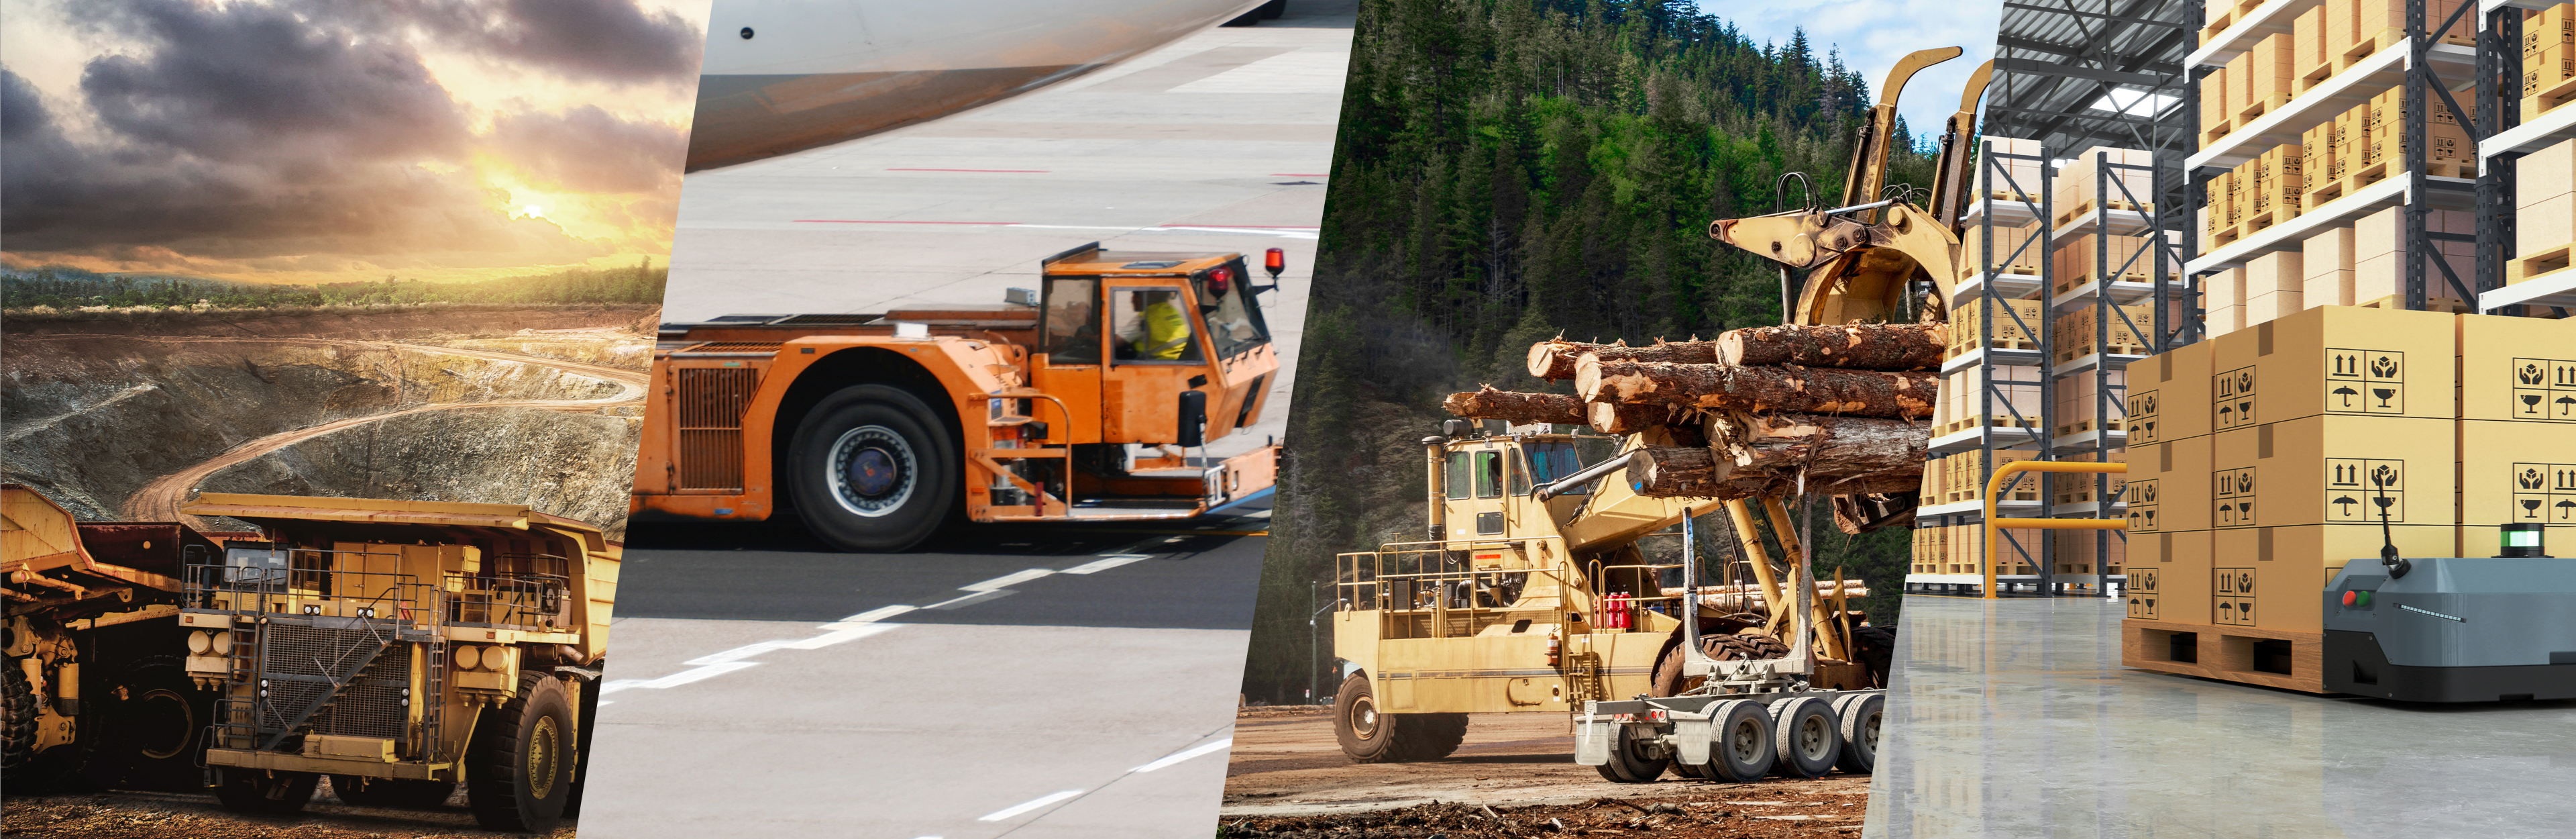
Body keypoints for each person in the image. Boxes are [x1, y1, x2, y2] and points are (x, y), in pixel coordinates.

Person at [1115, 291, 1191, 360]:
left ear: (1144, 297)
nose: (1132, 300)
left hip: (1160, 365)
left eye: (1135, 295)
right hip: (1181, 360)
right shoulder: (1171, 311)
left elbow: (1116, 342)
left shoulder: (1145, 317)